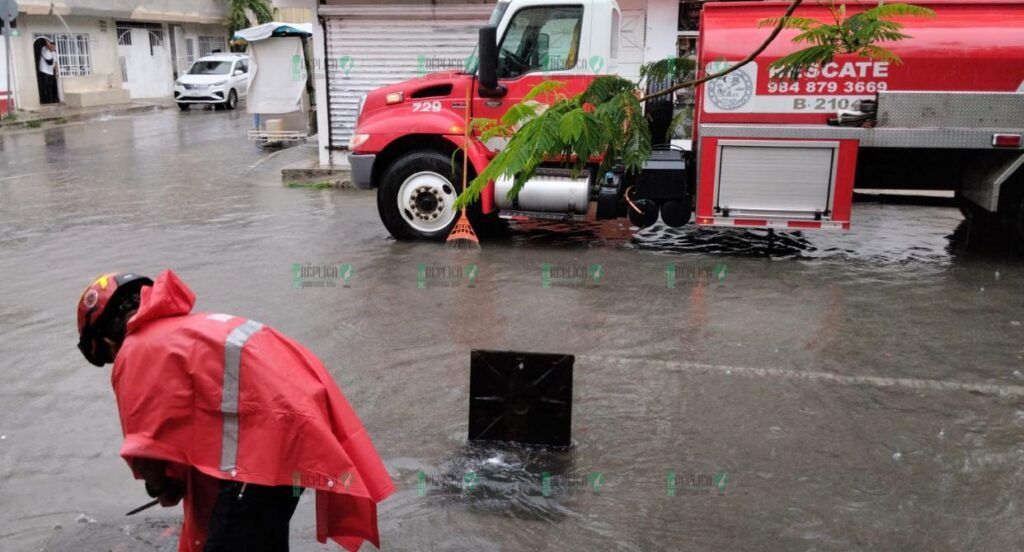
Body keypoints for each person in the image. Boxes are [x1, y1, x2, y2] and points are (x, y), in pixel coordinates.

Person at [76, 270, 394, 552]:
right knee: (260, 538)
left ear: (106, 341)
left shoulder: (136, 350)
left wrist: (161, 486)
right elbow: (207, 417)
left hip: (264, 454)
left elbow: (146, 451)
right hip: (296, 442)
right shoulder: (189, 328)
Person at [37, 38, 59, 104]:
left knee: (50, 85)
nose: (53, 48)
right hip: (44, 70)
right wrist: (45, 37)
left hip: (51, 72)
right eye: (52, 46)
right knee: (45, 86)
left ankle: (51, 99)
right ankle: (45, 100)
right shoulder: (44, 49)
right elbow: (48, 44)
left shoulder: (54, 53)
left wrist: (56, 72)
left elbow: (55, 63)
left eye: (54, 47)